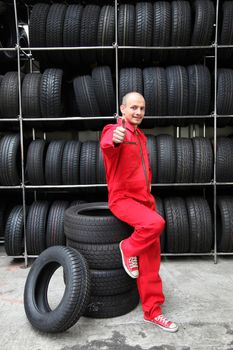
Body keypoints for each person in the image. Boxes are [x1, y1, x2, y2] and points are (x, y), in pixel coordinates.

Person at [100, 92, 178, 333]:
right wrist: (115, 137)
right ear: (122, 109)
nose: (138, 112)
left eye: (142, 108)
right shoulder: (114, 130)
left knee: (151, 261)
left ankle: (153, 312)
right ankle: (128, 248)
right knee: (155, 224)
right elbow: (107, 144)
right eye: (133, 107)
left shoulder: (141, 136)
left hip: (144, 201)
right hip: (123, 199)